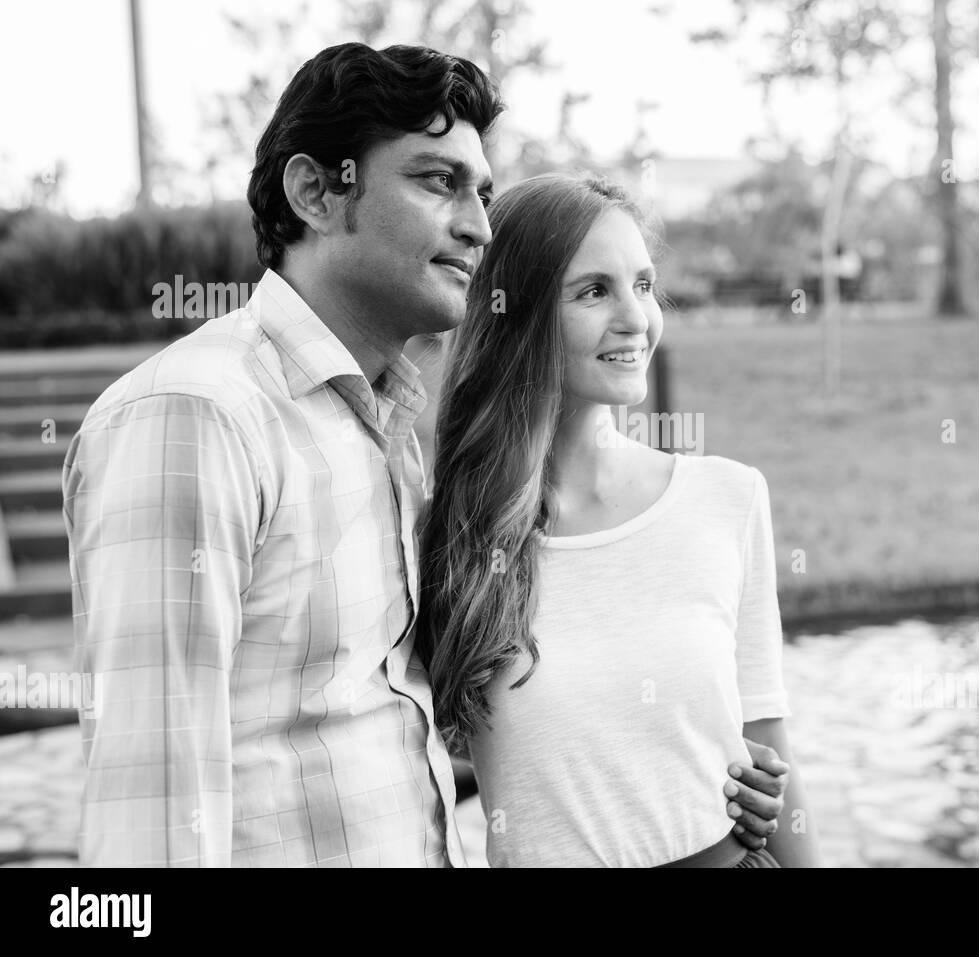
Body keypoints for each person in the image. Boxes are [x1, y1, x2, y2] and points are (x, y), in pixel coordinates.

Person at [62, 42, 786, 867]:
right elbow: (150, 820)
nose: (479, 225)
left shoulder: (387, 434)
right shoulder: (197, 414)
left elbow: (411, 716)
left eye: (480, 191)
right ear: (316, 193)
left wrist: (689, 777)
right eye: (438, 181)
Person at [416, 172, 822, 867]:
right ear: (516, 313)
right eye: (594, 290)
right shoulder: (445, 535)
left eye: (643, 283)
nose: (636, 316)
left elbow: (766, 736)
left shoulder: (728, 498)